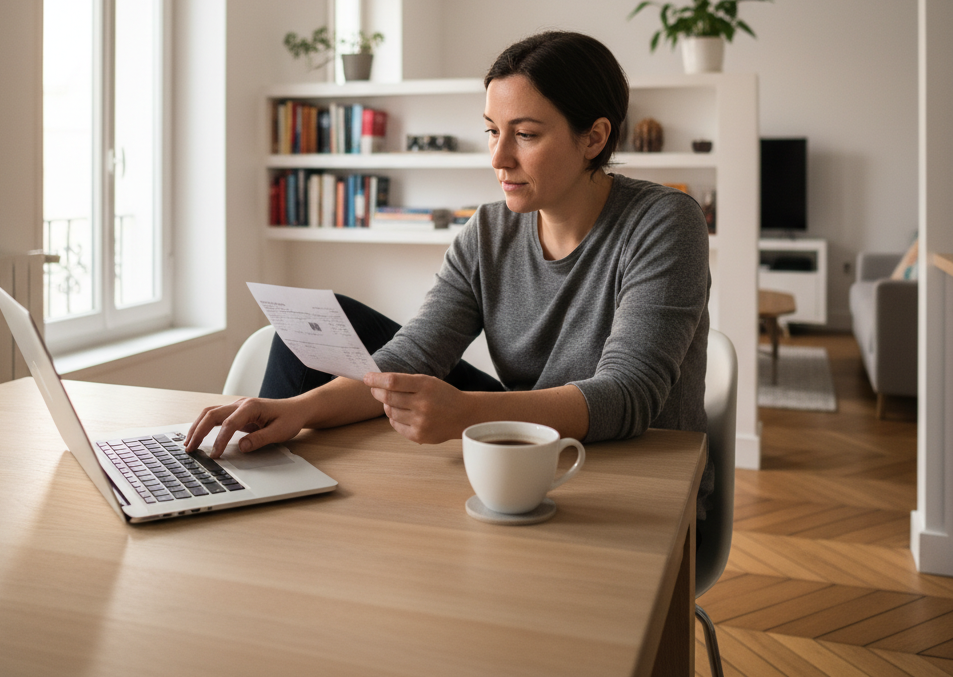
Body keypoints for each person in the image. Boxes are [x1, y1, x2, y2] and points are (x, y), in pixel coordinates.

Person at [187, 31, 714, 518]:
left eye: (525, 135)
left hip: (641, 466)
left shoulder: (664, 221)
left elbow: (629, 394)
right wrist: (296, 410)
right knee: (315, 332)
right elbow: (414, 355)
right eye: (491, 131)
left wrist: (464, 414)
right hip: (525, 452)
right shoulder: (487, 230)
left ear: (594, 137)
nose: (499, 157)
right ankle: (263, 494)